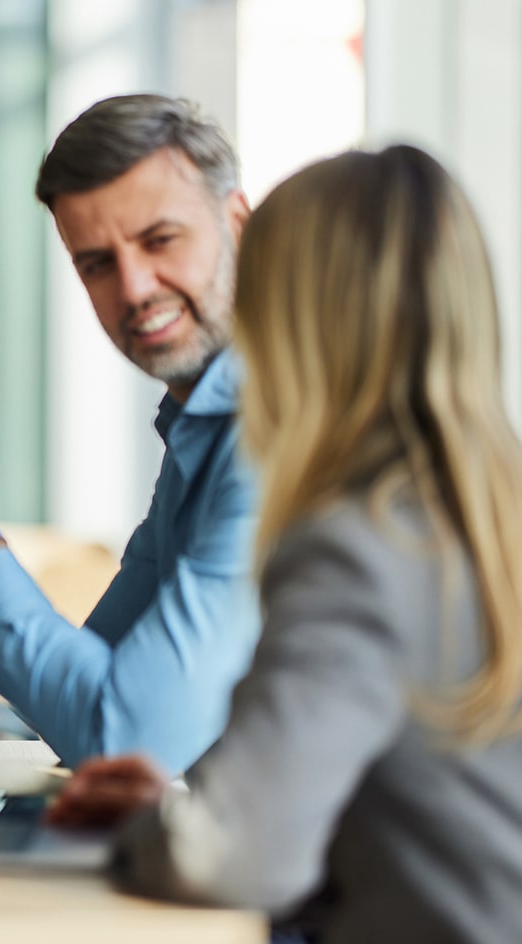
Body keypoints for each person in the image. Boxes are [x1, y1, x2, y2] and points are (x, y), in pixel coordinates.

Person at [46, 145, 522, 943]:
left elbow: (233, 861)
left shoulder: (355, 548)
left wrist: (148, 833)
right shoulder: (479, 513)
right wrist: (177, 809)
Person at [0, 94, 259, 773]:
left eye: (160, 240)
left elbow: (124, 740)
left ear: (237, 223)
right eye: (97, 264)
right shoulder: (198, 435)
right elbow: (80, 703)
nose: (136, 287)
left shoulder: (274, 433)